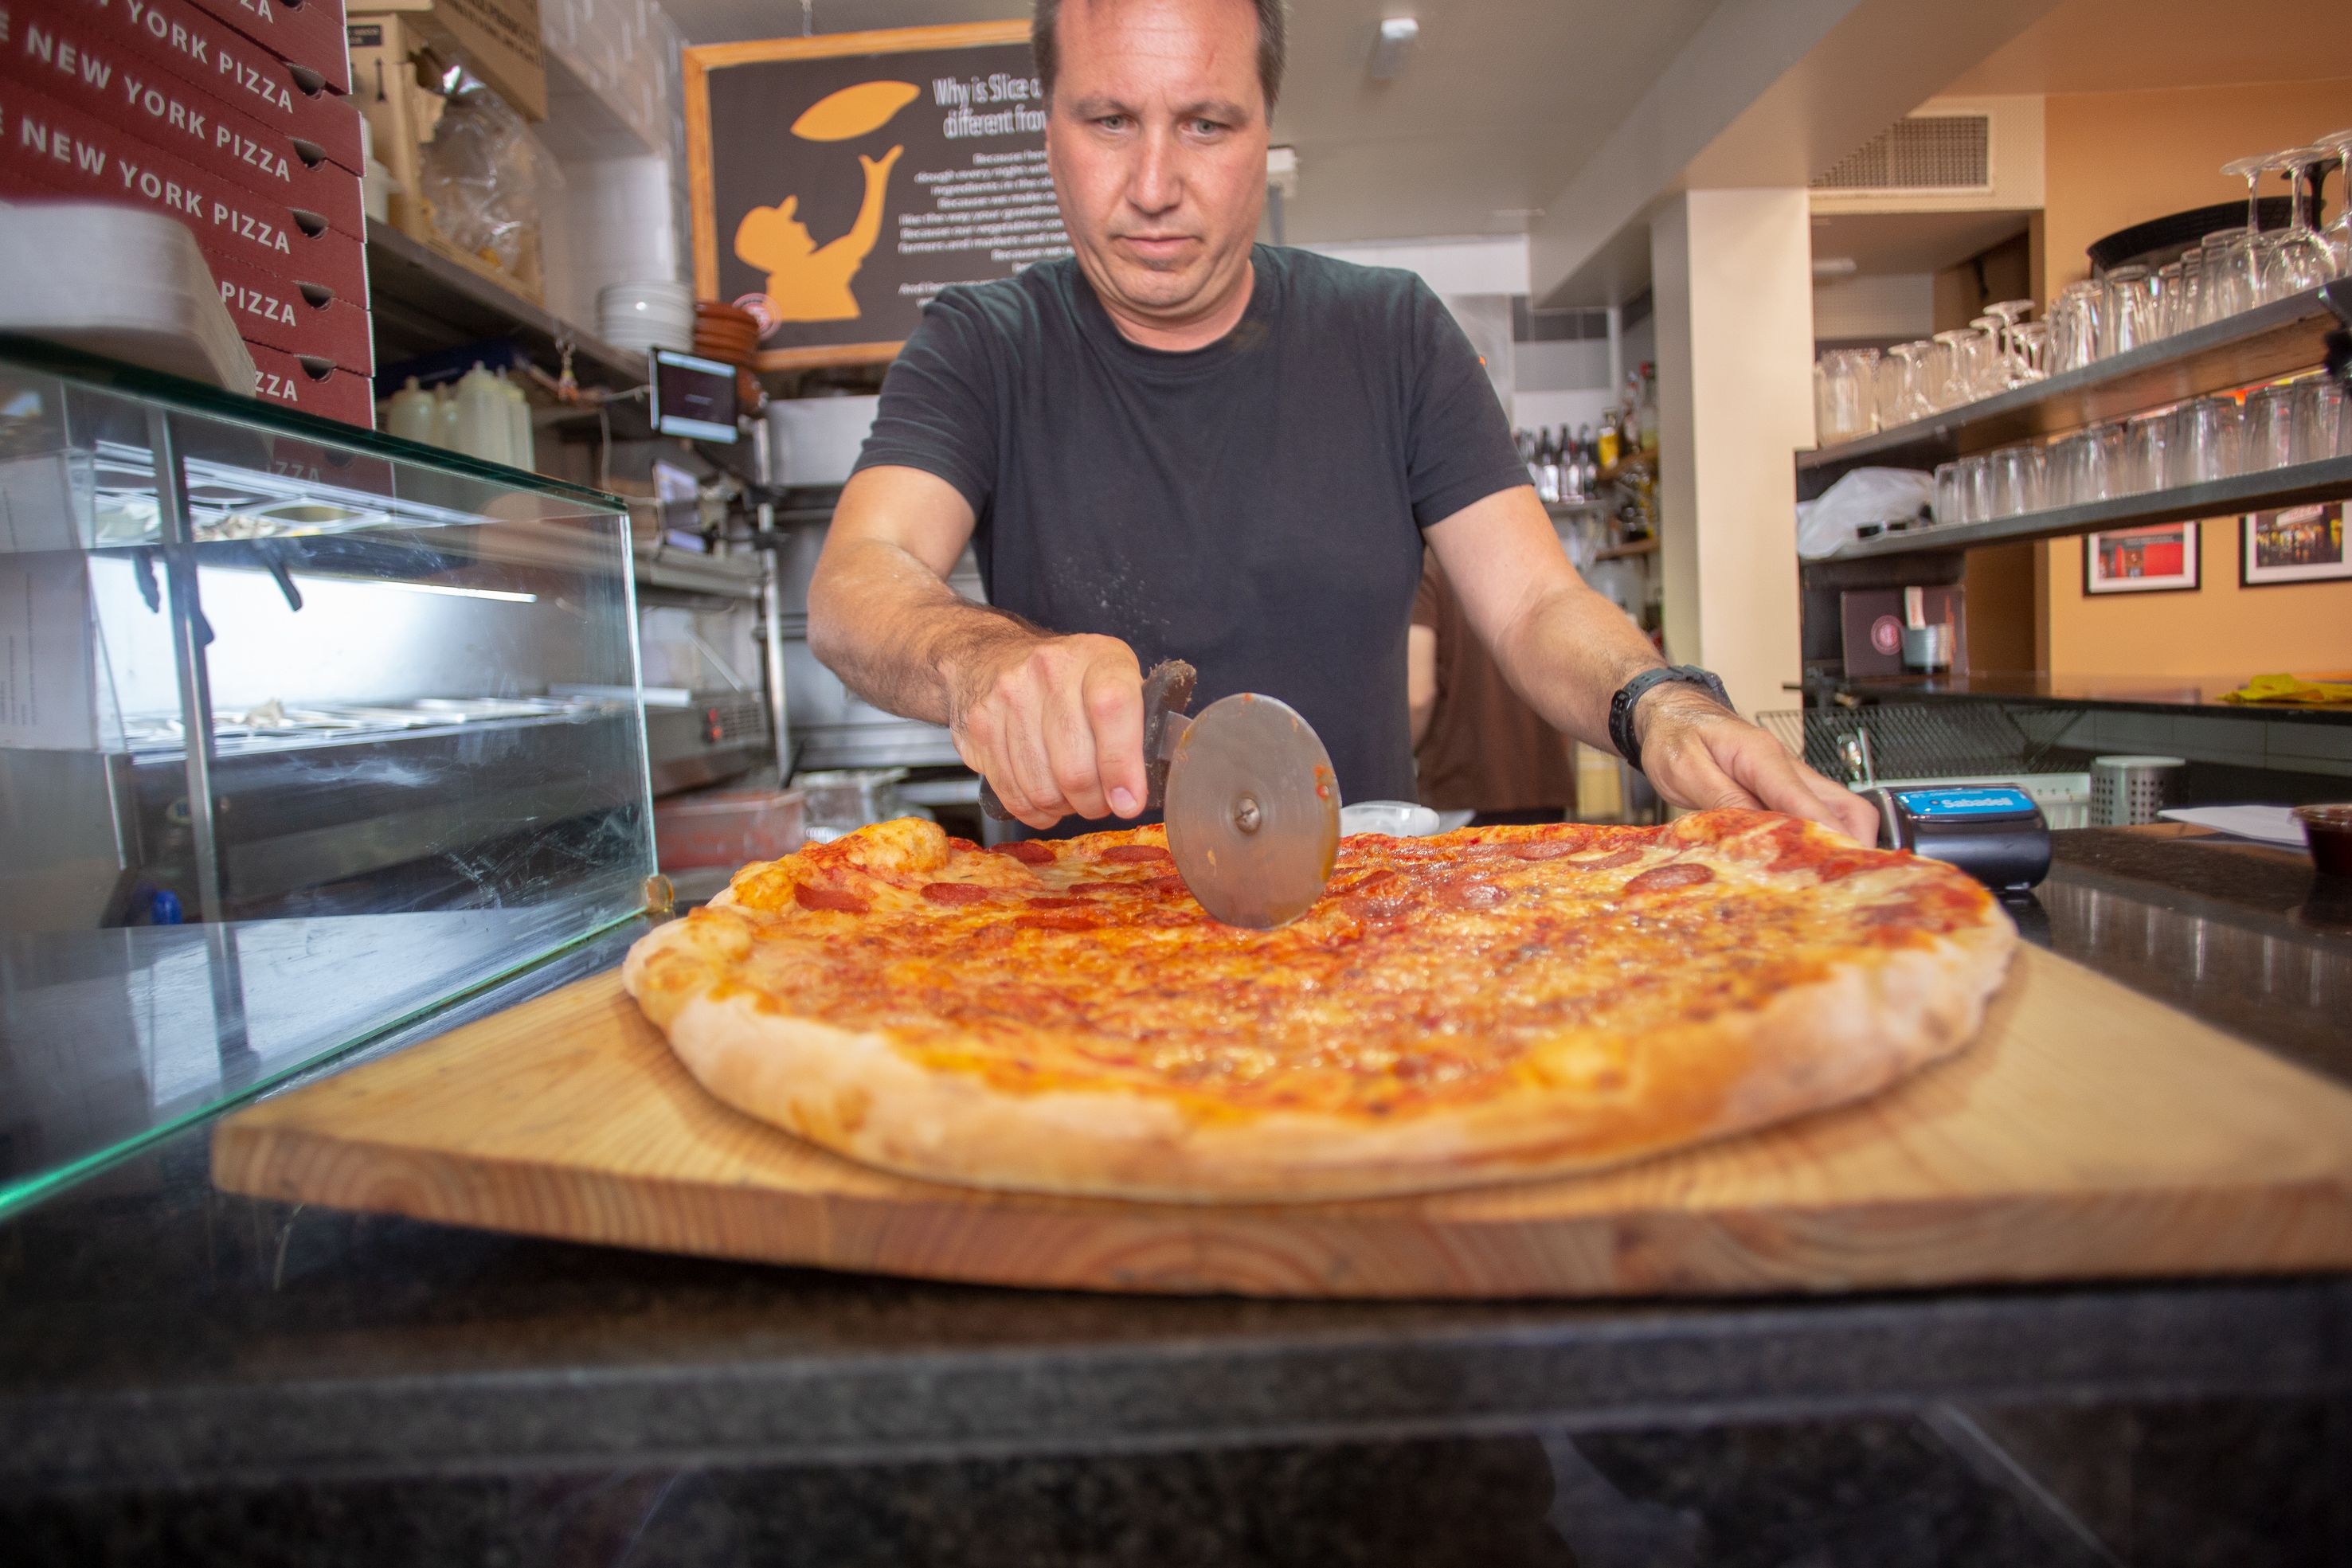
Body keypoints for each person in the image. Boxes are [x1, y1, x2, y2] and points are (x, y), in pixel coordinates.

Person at [808, 0, 1874, 845]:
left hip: (1359, 952)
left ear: (1267, 134)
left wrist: (1662, 705)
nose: (1153, 186)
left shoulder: (1392, 333)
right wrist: (977, 659)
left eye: (1206, 124)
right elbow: (859, 579)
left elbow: (1536, 605)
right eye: (1108, 120)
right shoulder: (983, 345)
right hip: (1067, 951)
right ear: (1048, 129)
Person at [1408, 552, 1577, 827]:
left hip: (1466, 791)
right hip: (1544, 784)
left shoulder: (1431, 566)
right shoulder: (1543, 560)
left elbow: (1417, 698)